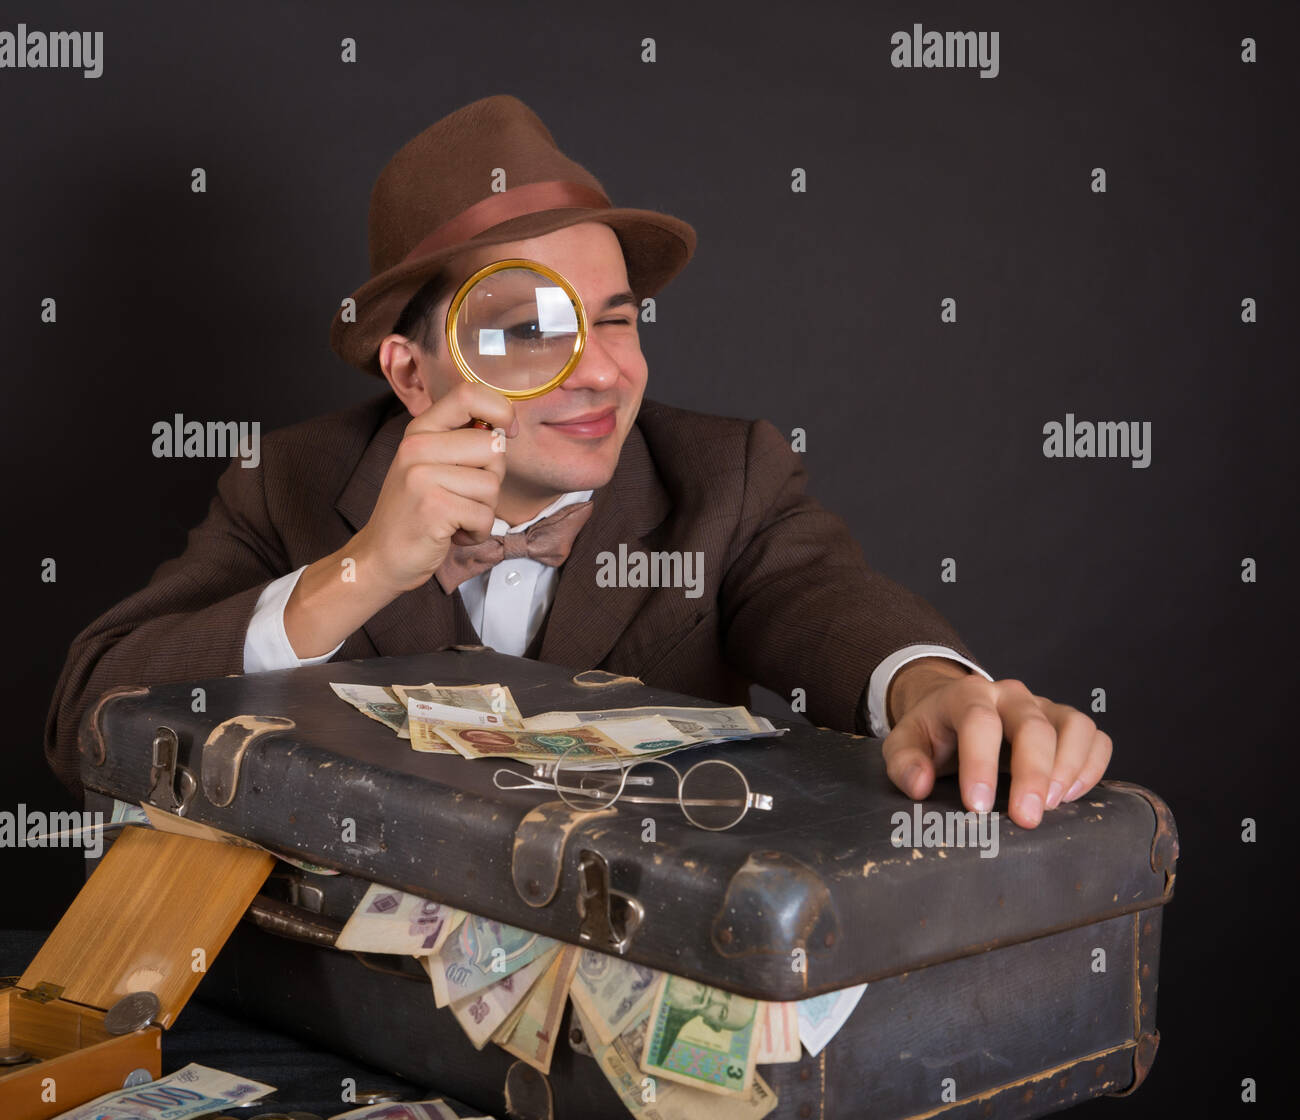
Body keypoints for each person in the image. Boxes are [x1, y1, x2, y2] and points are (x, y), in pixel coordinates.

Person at [45, 95, 1111, 827]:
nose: (604, 373)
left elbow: (828, 604)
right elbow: (89, 718)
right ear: (414, 376)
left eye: (616, 319)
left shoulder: (723, 476)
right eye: (528, 330)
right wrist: (361, 570)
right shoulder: (288, 484)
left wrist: (934, 690)